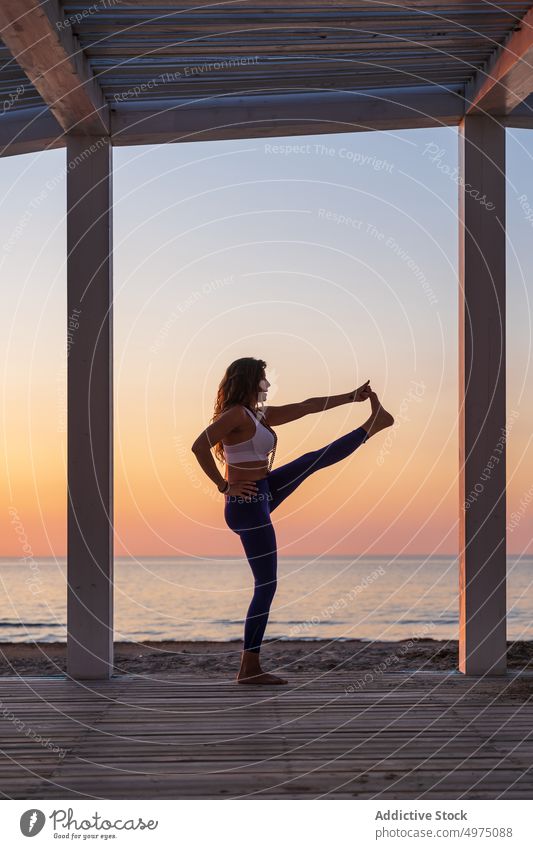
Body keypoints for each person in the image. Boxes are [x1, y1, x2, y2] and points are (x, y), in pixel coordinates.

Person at [191, 357, 394, 685]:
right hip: (247, 504)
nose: (266, 384)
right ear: (249, 380)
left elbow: (306, 406)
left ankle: (374, 423)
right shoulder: (235, 415)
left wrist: (350, 396)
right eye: (262, 378)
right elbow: (198, 445)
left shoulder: (257, 415)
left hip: (263, 492)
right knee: (266, 585)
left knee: (311, 460)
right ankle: (248, 668)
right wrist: (224, 485)